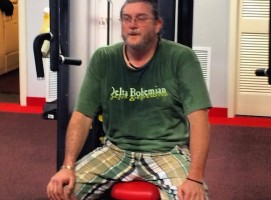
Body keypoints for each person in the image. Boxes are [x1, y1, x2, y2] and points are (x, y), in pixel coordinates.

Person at [47, 0, 212, 199]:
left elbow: (199, 120)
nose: (132, 24)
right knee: (62, 191)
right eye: (126, 19)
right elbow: (82, 115)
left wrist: (194, 178)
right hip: (116, 150)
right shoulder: (104, 58)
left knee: (194, 197)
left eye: (141, 18)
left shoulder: (181, 57)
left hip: (166, 151)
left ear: (157, 25)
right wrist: (67, 166)